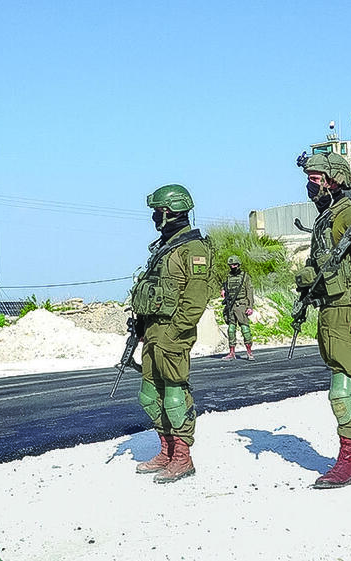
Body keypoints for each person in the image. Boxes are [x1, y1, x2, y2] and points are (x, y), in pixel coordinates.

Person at [294, 152, 351, 489]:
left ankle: (348, 461)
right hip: (330, 309)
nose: (309, 185)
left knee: (342, 386)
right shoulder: (326, 218)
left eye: (315, 179)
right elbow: (322, 265)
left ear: (334, 180)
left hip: (348, 309)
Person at [129, 184, 213, 483]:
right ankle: (165, 450)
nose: (154, 217)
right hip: (152, 331)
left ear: (168, 213)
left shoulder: (193, 250)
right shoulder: (165, 249)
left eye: (157, 212)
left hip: (172, 334)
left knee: (175, 395)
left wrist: (174, 333)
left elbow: (195, 300)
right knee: (150, 395)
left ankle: (182, 457)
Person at [221, 255, 255, 360]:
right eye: (231, 265)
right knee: (231, 329)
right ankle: (231, 353)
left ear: (238, 265)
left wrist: (250, 306)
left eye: (235, 264)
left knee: (245, 328)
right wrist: (223, 290)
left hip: (241, 304)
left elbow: (249, 292)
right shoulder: (228, 277)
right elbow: (225, 288)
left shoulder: (245, 276)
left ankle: (249, 353)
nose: (233, 266)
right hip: (231, 304)